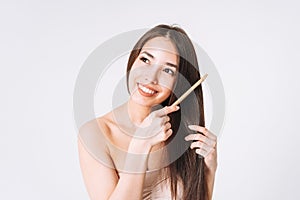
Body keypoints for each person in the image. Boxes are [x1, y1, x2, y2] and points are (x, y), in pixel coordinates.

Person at [78, 24, 218, 200]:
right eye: (145, 60)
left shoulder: (185, 134)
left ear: (179, 83)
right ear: (133, 60)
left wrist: (209, 169)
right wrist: (140, 145)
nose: (150, 78)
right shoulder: (95, 133)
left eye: (167, 70)